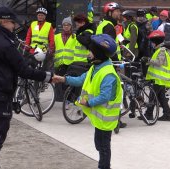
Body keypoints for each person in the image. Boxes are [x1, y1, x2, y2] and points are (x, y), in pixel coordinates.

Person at [0, 6, 54, 169]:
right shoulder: (5, 44)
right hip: (1, 95)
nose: (14, 27)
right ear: (5, 22)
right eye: (12, 23)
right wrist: (49, 77)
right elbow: (24, 70)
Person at [52, 34, 123, 169]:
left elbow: (105, 96)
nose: (88, 53)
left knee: (103, 148)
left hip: (106, 119)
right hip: (99, 118)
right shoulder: (95, 68)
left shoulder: (107, 73)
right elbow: (80, 80)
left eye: (91, 51)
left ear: (98, 54)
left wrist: (88, 103)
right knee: (99, 144)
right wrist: (63, 79)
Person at [140, 30, 170, 121]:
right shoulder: (159, 50)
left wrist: (148, 60)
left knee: (152, 96)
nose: (151, 43)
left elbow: (159, 62)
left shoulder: (161, 50)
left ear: (156, 41)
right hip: (159, 79)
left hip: (159, 79)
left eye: (152, 41)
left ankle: (149, 114)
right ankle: (167, 114)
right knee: (161, 97)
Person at [54, 16, 76, 101]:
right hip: (60, 62)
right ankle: (64, 99)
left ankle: (68, 100)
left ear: (71, 26)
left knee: (69, 82)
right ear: (62, 26)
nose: (66, 26)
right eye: (64, 25)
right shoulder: (57, 36)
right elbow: (53, 47)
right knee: (62, 83)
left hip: (71, 63)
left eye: (68, 25)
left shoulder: (75, 37)